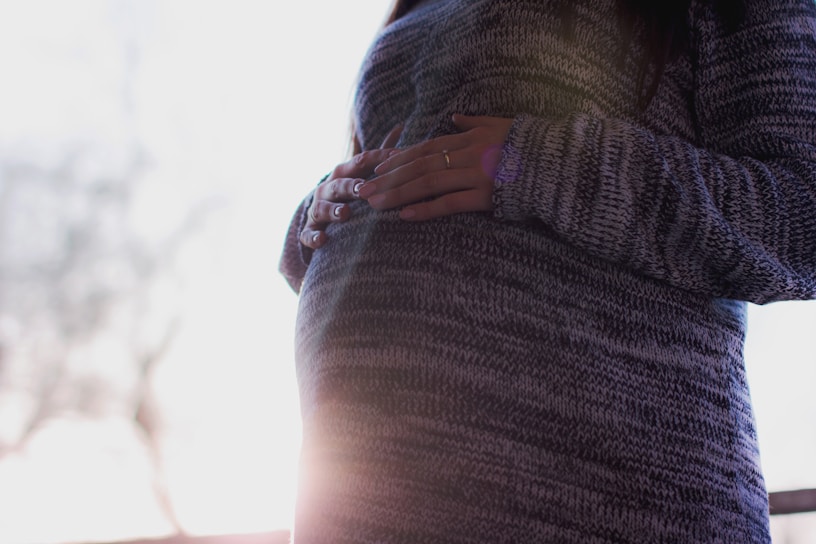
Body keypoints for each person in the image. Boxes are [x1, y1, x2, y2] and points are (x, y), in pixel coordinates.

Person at [280, 0, 816, 541]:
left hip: (606, 488)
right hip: (365, 477)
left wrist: (531, 163)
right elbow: (412, 157)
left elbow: (801, 215)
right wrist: (320, 216)